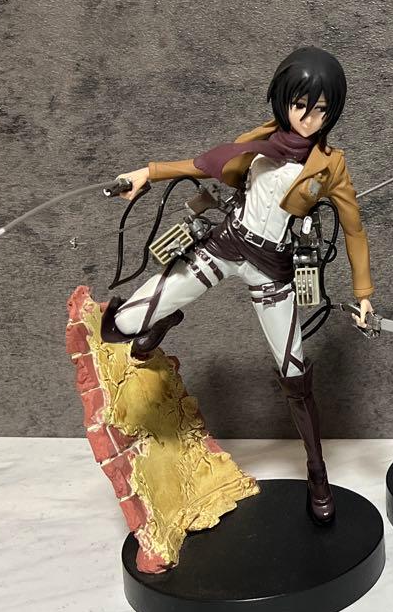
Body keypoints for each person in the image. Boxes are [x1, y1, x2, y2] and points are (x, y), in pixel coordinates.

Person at [101, 46, 374, 524]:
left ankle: (317, 472)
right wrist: (147, 172)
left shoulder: (330, 165)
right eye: (300, 105)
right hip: (227, 245)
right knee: (121, 323)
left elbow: (354, 229)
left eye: (321, 109)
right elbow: (202, 164)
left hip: (274, 268)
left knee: (295, 375)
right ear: (283, 101)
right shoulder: (260, 143)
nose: (309, 118)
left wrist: (364, 296)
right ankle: (160, 323)